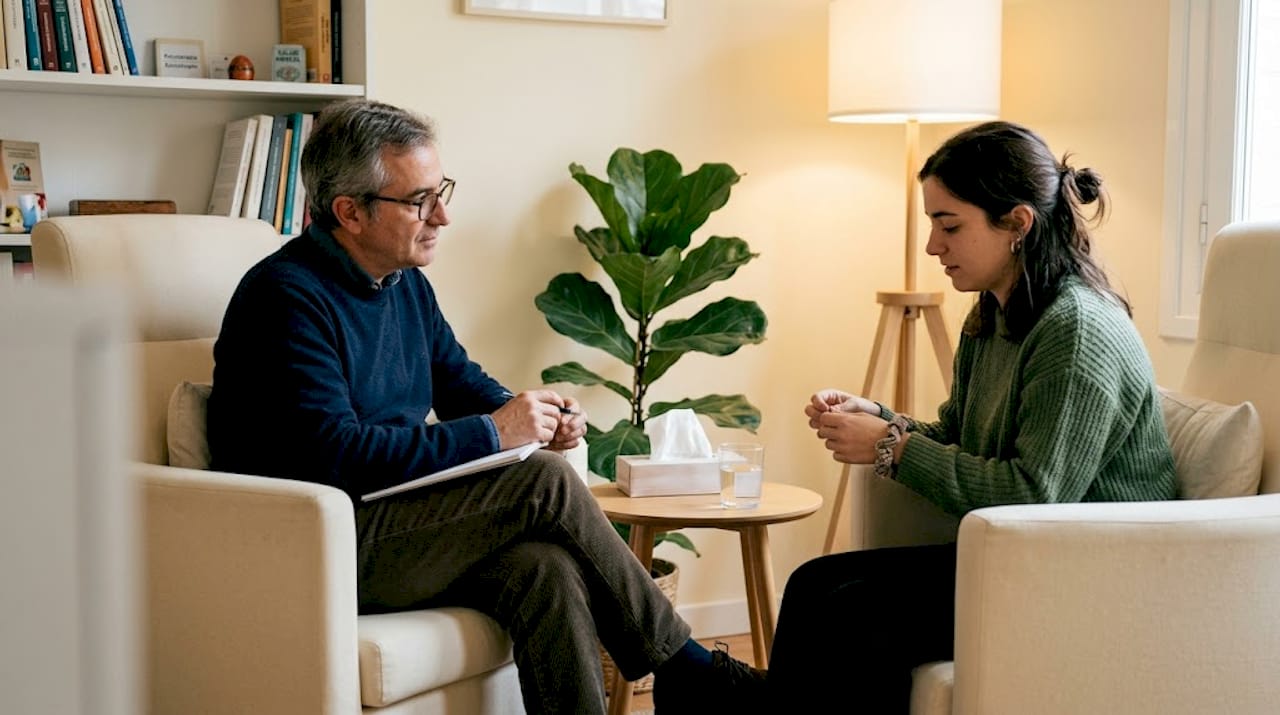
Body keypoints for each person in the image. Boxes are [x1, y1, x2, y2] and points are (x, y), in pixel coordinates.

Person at [206, 98, 752, 714]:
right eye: (419, 201)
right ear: (350, 212)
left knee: (543, 568)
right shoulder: (285, 298)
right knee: (543, 481)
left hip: (389, 521)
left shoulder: (404, 283)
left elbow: (461, 383)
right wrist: (495, 433)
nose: (442, 216)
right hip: (317, 542)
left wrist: (531, 414)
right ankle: (687, 671)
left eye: (441, 192)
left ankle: (675, 682)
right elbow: (337, 454)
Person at [692, 120, 1179, 714]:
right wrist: (878, 419)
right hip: (1018, 557)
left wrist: (892, 446)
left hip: (1088, 574)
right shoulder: (994, 312)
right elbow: (956, 438)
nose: (932, 246)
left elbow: (1033, 497)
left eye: (949, 226)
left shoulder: (1073, 330)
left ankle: (739, 699)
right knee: (813, 582)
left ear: (1018, 224)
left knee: (852, 613)